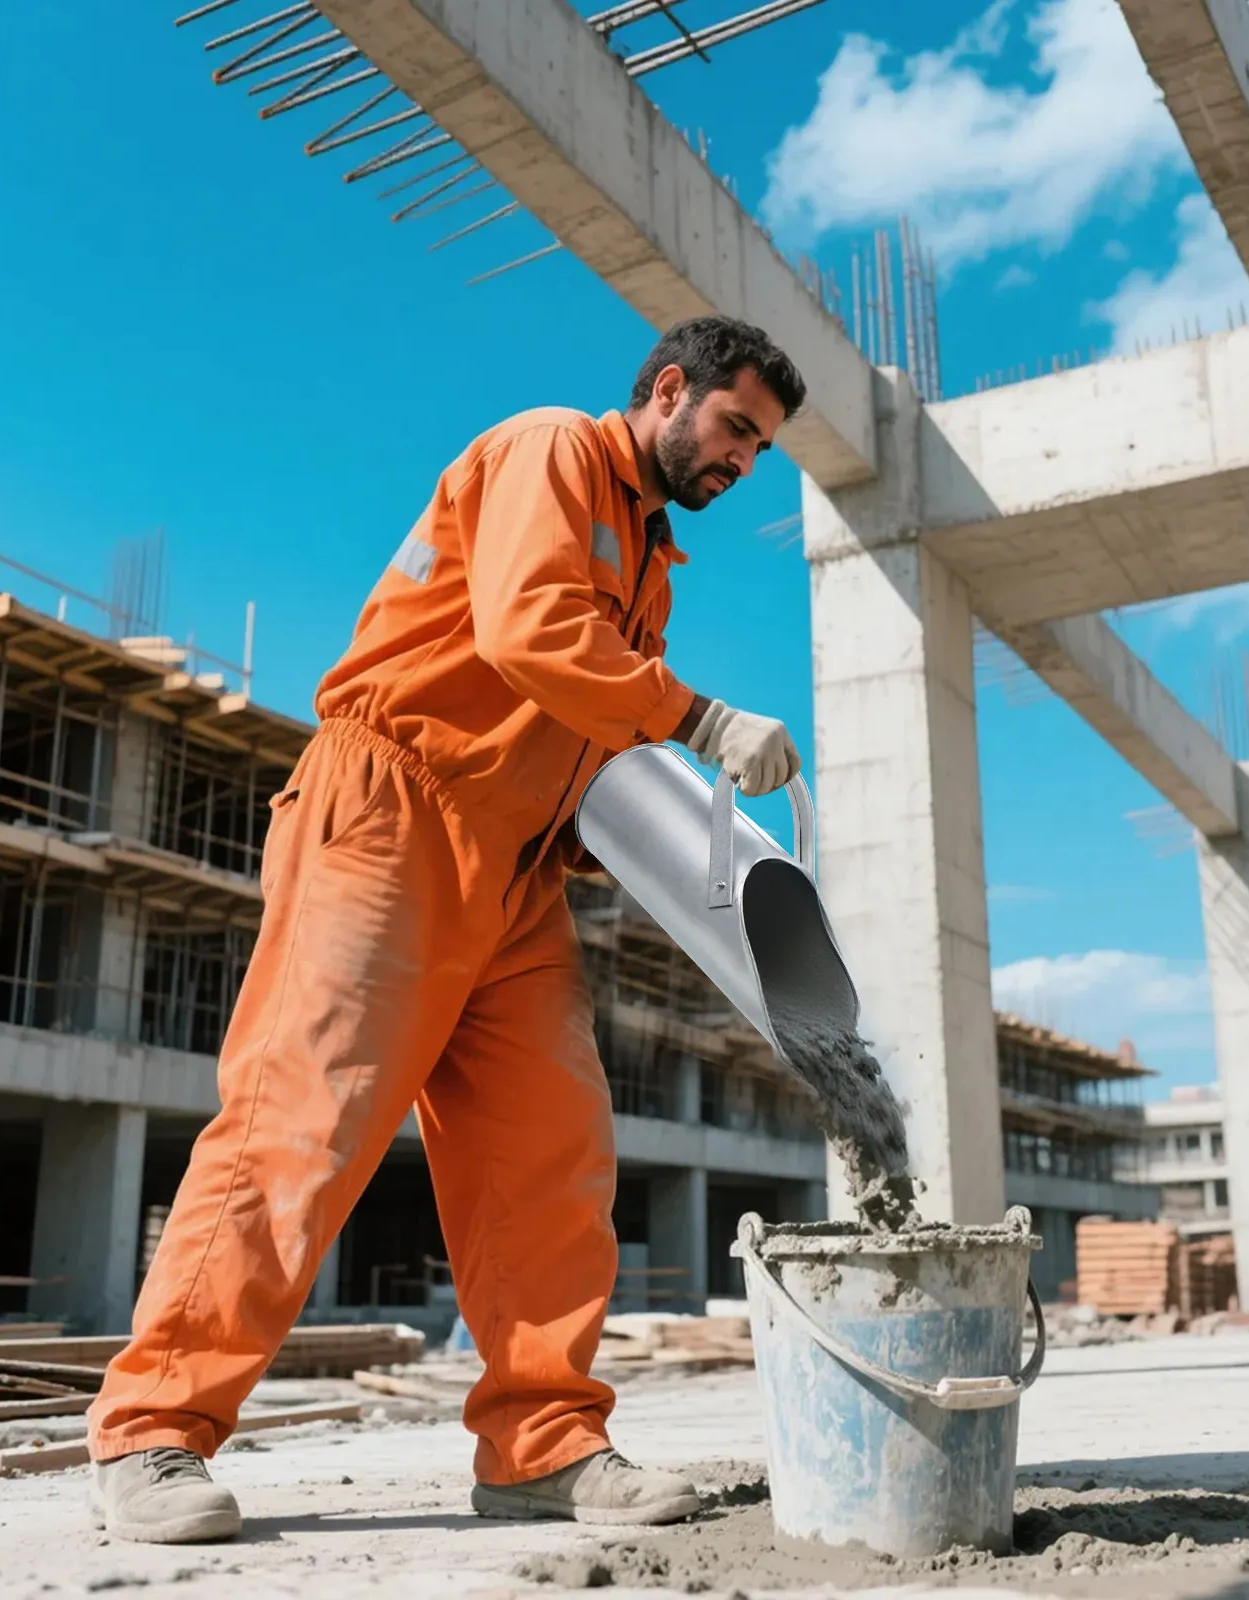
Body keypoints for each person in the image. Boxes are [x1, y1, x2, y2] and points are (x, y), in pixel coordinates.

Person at [85, 315, 807, 1544]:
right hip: (395, 810)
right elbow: (529, 631)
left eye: (761, 451)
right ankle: (154, 1432)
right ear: (670, 389)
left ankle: (541, 1443)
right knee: (300, 1122)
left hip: (523, 870)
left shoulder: (647, 563)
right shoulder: (552, 451)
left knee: (551, 1150)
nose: (742, 463)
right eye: (736, 428)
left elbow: (578, 732)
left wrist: (655, 841)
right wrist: (696, 717)